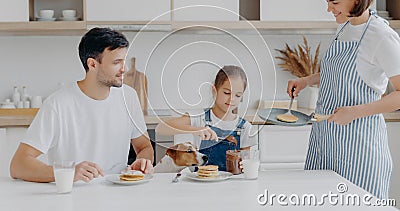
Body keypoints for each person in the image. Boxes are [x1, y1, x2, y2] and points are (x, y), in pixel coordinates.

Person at [287, 0, 400, 199]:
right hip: (327, 143)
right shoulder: (344, 28)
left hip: (359, 149)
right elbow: (340, 73)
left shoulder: (381, 35)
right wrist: (307, 80)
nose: (329, 9)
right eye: (327, 1)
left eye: (335, 2)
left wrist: (355, 112)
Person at [10, 27, 154, 183]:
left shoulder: (129, 97)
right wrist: (68, 173)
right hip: (75, 196)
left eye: (123, 61)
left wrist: (142, 162)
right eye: (116, 62)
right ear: (92, 64)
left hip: (118, 193)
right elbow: (18, 165)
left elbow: (144, 147)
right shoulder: (58, 104)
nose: (124, 69)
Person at [156, 65, 257, 171]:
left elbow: (246, 166)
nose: (232, 99)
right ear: (214, 90)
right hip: (201, 184)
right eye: (227, 93)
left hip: (231, 185)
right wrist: (196, 129)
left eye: (238, 95)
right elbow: (161, 128)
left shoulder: (245, 128)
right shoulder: (200, 118)